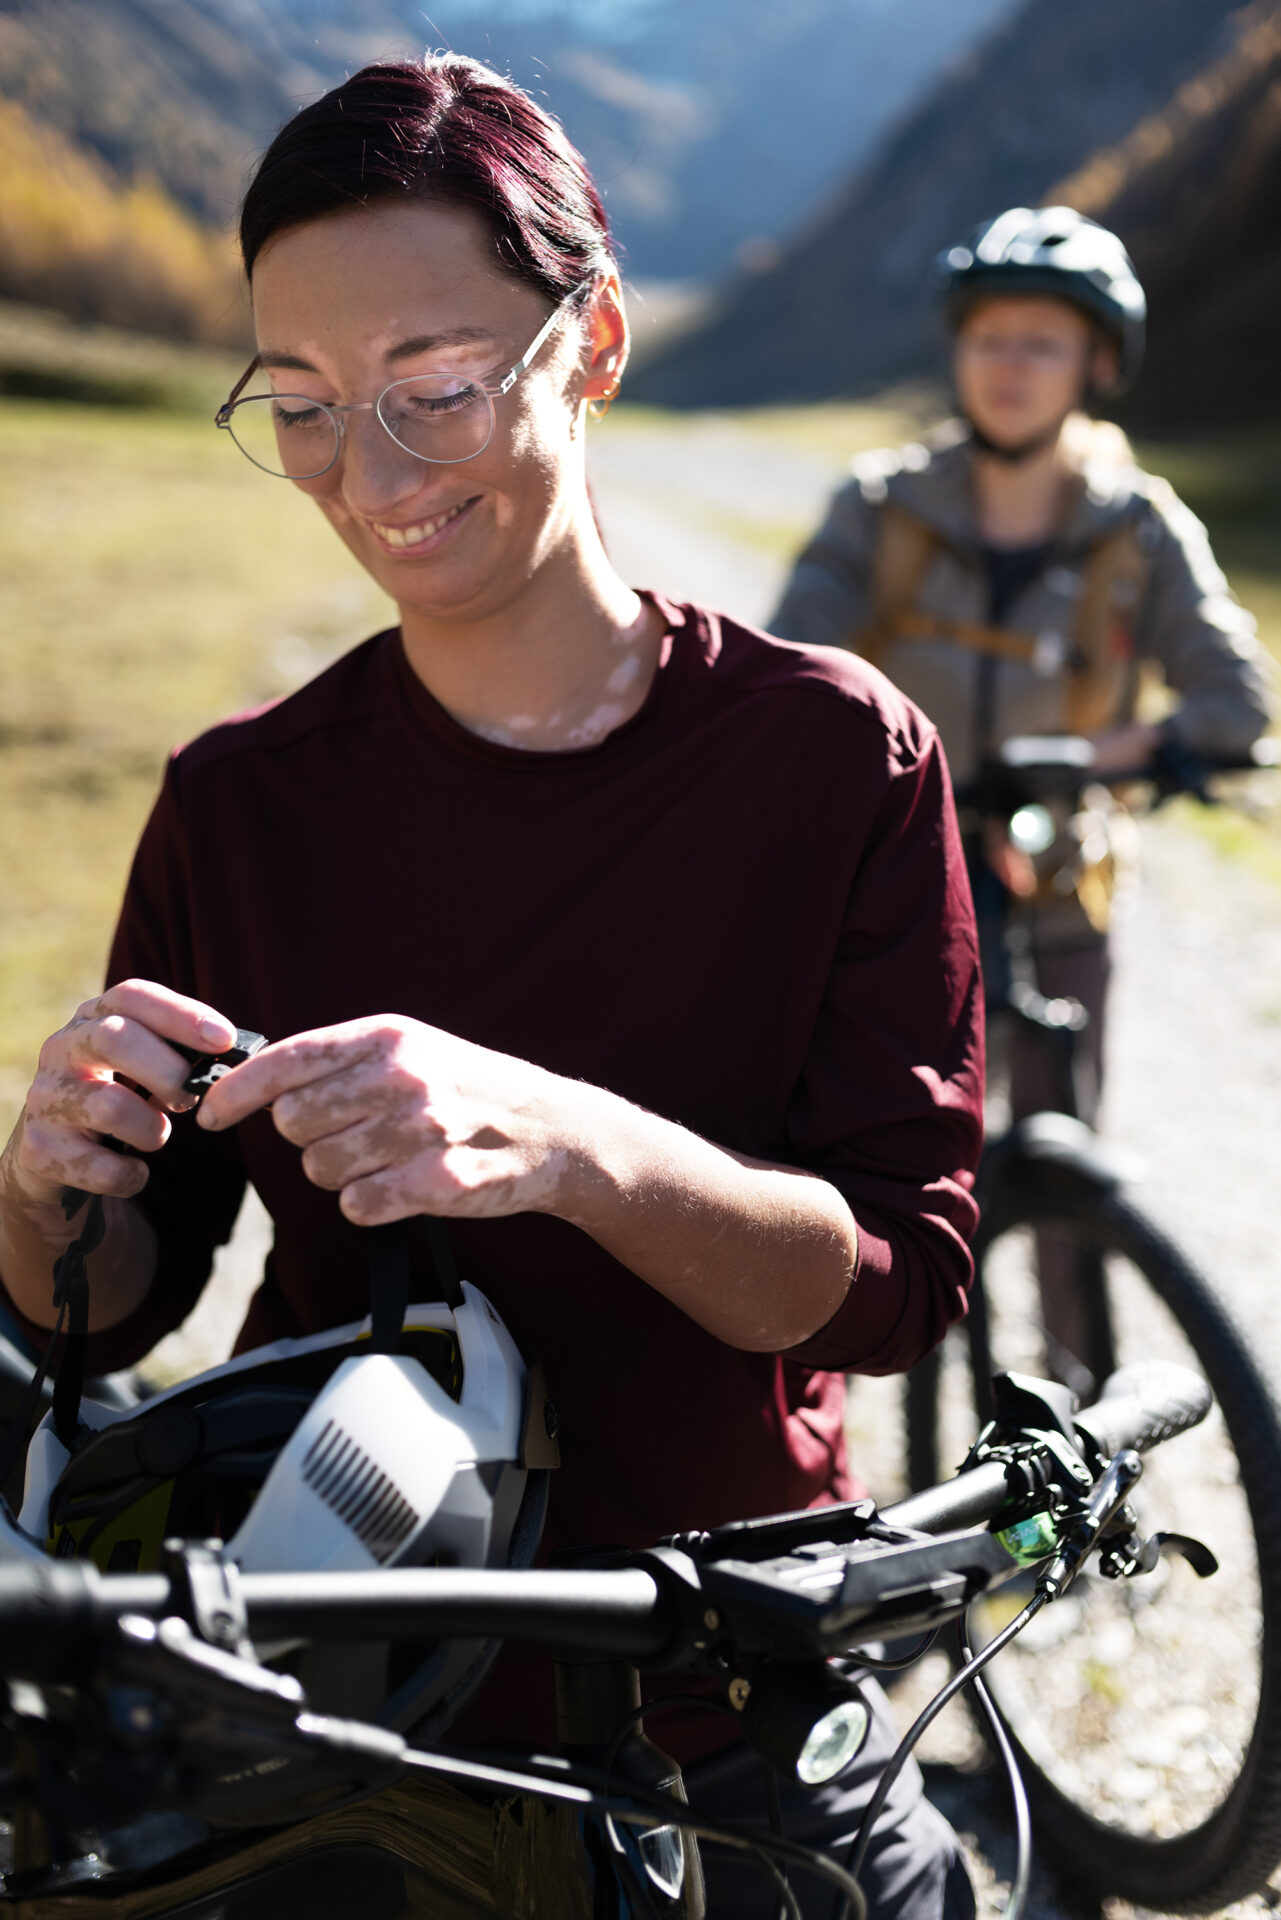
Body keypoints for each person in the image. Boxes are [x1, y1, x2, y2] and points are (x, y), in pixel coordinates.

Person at [0, 58, 983, 1917]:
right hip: (345, 1683)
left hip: (717, 1664)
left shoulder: (836, 760)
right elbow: (121, 1311)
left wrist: (563, 1142)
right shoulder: (240, 799)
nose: (365, 480)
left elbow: (892, 1289)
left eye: (433, 390)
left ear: (591, 339)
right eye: (296, 407)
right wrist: (46, 1179)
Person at [772, 206, 1273, 1147]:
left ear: (1097, 363)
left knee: (1064, 1162)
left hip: (1059, 883)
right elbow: (788, 676)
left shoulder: (1137, 527)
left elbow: (1235, 702)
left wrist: (1087, 757)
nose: (1009, 365)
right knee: (894, 1172)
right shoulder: (880, 509)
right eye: (989, 338)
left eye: (1042, 343)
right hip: (897, 895)